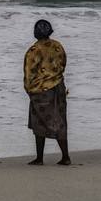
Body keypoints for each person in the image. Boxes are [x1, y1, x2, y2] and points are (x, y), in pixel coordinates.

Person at [24, 19, 71, 166]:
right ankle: (65, 157)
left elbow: (28, 73)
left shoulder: (34, 50)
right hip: (59, 87)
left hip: (41, 91)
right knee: (60, 122)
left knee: (40, 122)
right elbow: (63, 63)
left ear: (35, 33)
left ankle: (40, 158)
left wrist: (29, 90)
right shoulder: (57, 46)